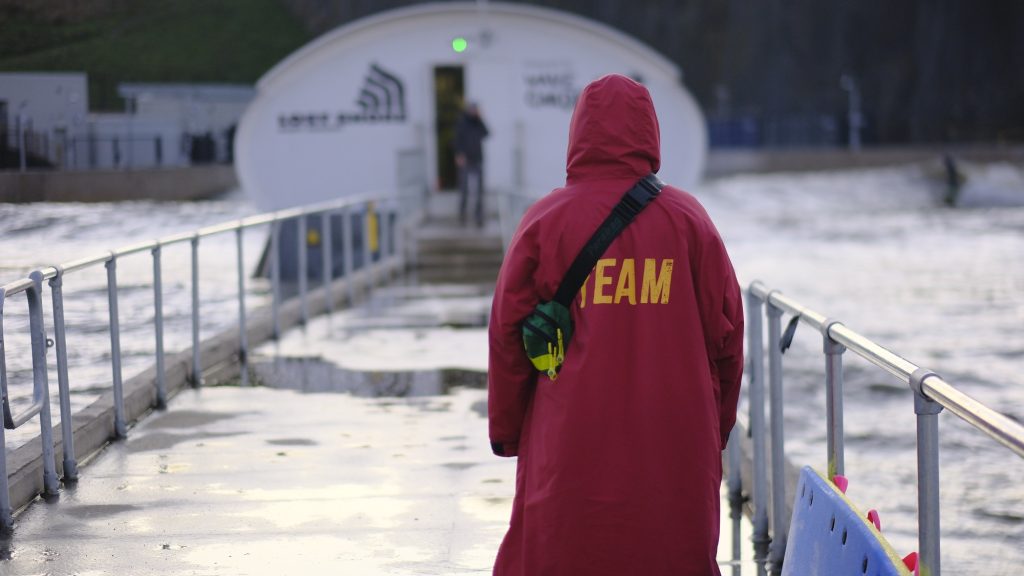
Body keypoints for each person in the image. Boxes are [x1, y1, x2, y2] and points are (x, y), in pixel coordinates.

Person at [487, 74, 744, 575]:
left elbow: (507, 338)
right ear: (650, 132)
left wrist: (510, 431)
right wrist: (715, 429)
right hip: (674, 440)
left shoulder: (543, 222)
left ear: (578, 134)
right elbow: (728, 339)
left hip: (567, 437)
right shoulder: (689, 221)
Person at [454, 102, 489, 227]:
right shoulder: (462, 123)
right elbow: (457, 140)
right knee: (464, 190)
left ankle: (478, 217)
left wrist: (480, 119)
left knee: (479, 191)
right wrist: (459, 155)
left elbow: (486, 133)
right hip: (465, 161)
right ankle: (462, 215)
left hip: (478, 160)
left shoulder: (478, 123)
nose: (475, 112)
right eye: (474, 110)